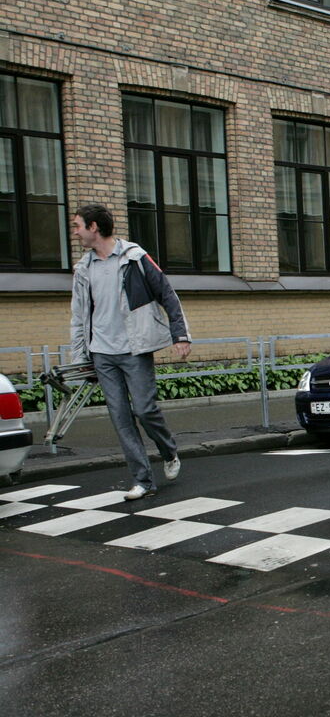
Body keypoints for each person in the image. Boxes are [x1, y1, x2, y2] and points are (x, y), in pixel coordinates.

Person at [69, 204, 192, 501]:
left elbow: (167, 294)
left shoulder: (135, 257)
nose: (75, 232)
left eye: (78, 226)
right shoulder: (83, 269)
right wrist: (80, 356)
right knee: (121, 419)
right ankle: (143, 480)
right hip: (101, 353)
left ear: (94, 227)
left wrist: (181, 335)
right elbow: (78, 315)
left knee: (145, 410)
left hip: (134, 349)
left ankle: (168, 450)